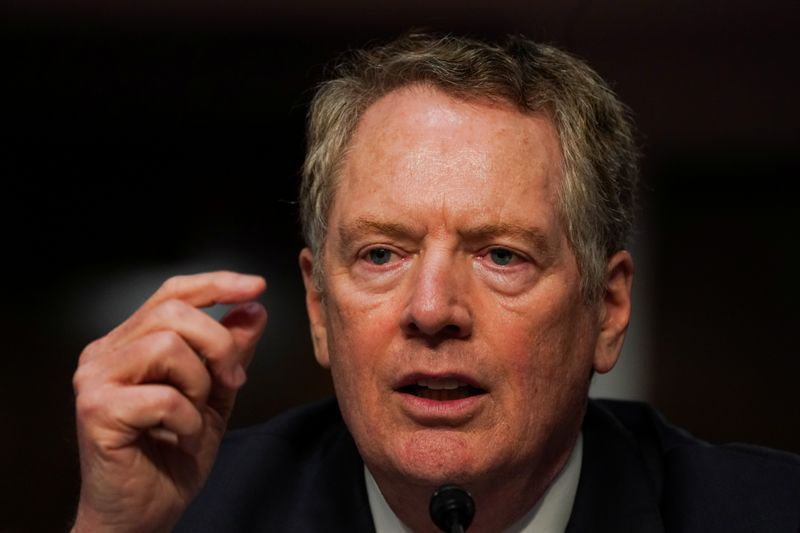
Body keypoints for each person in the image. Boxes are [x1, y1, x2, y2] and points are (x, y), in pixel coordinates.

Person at [71, 32, 799, 532]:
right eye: (383, 254)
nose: (430, 310)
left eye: (501, 255)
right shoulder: (192, 512)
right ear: (319, 308)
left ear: (607, 309)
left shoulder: (766, 512)